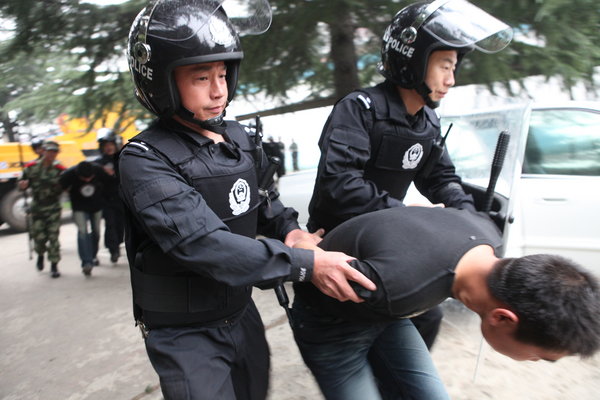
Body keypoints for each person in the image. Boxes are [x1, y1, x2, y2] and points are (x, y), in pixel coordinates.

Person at [120, 1, 374, 399]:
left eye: (223, 73)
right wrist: (306, 264)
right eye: (201, 77)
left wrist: (292, 232)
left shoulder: (236, 137)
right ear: (160, 81)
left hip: (240, 314)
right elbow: (203, 244)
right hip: (186, 335)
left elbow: (265, 200)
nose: (219, 90)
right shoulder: (145, 159)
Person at [302, 0, 514, 397]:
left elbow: (442, 178)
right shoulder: (360, 109)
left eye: (454, 67)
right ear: (412, 60)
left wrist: (471, 223)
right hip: (340, 244)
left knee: (428, 315)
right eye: (444, 65)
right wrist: (403, 213)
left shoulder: (427, 122)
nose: (451, 78)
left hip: (387, 240)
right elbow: (340, 184)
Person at [292, 206, 600, 400]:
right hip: (330, 328)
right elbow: (308, 261)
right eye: (539, 356)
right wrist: (306, 246)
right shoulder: (395, 285)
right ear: (503, 318)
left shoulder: (486, 233)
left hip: (385, 313)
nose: (534, 360)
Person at [18, 141, 65, 278]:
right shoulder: (31, 167)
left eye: (54, 152)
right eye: (49, 151)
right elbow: (21, 184)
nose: (51, 154)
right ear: (43, 151)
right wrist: (22, 186)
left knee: (53, 236)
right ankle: (40, 254)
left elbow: (67, 183)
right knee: (39, 237)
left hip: (53, 207)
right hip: (37, 207)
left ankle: (54, 265)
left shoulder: (60, 169)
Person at [59, 161, 111, 276]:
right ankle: (86, 262)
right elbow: (60, 187)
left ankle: (93, 255)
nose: (87, 180)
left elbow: (109, 183)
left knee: (96, 231)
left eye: (90, 178)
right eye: (84, 178)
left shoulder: (98, 170)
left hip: (96, 206)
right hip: (79, 207)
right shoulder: (69, 174)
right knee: (82, 232)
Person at [95, 128, 125, 263]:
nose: (108, 148)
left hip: (121, 199)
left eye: (111, 145)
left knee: (121, 226)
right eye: (105, 146)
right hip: (106, 200)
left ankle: (117, 243)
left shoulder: (122, 158)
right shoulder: (98, 163)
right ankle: (113, 250)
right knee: (110, 224)